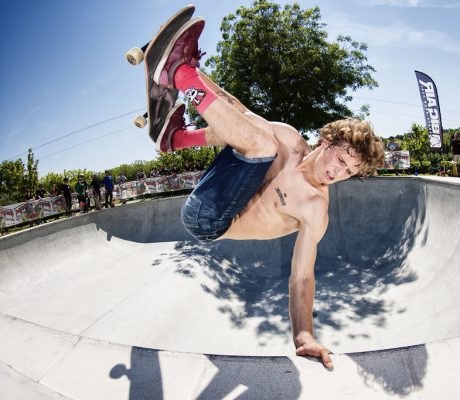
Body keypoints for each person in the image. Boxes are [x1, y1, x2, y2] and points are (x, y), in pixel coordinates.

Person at [152, 19, 384, 370]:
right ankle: (176, 137)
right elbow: (235, 110)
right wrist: (203, 74)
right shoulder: (290, 139)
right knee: (251, 130)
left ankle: (180, 76)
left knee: (259, 143)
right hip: (213, 189)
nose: (338, 173)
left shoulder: (315, 209)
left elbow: (302, 275)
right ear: (326, 142)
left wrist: (303, 335)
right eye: (340, 160)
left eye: (349, 172)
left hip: (210, 220)